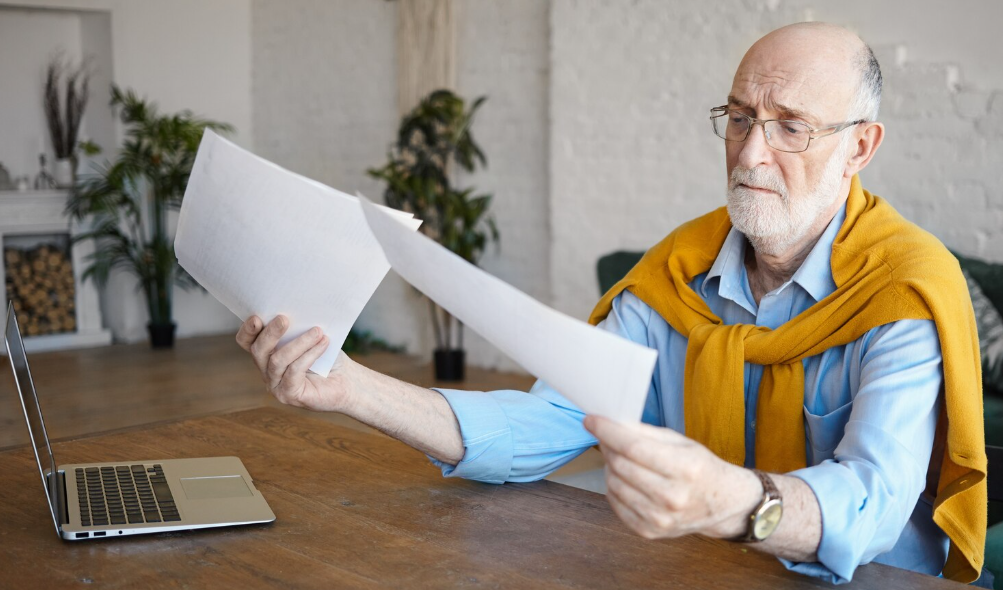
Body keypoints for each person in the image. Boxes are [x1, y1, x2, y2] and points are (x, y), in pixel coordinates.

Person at [235, 22, 987, 585]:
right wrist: (347, 385)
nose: (751, 153)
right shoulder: (675, 274)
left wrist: (731, 501)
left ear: (859, 148)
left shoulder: (904, 288)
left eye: (791, 127)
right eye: (738, 119)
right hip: (700, 571)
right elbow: (550, 421)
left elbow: (874, 502)